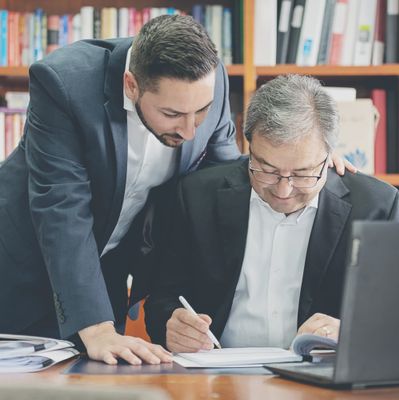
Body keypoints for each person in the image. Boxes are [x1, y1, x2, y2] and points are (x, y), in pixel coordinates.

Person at [0, 15, 241, 365]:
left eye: (200, 112)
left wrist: (306, 162)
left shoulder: (208, 79)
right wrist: (96, 328)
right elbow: (62, 207)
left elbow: (225, 181)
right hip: (21, 267)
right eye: (173, 113)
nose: (190, 131)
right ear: (131, 85)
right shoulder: (65, 83)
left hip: (103, 277)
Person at [144, 74, 399, 353]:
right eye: (267, 169)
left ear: (329, 156)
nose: (284, 190)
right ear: (248, 147)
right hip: (216, 378)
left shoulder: (378, 207)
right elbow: (162, 300)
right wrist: (173, 327)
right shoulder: (197, 196)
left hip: (322, 383)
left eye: (303, 174)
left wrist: (352, 333)